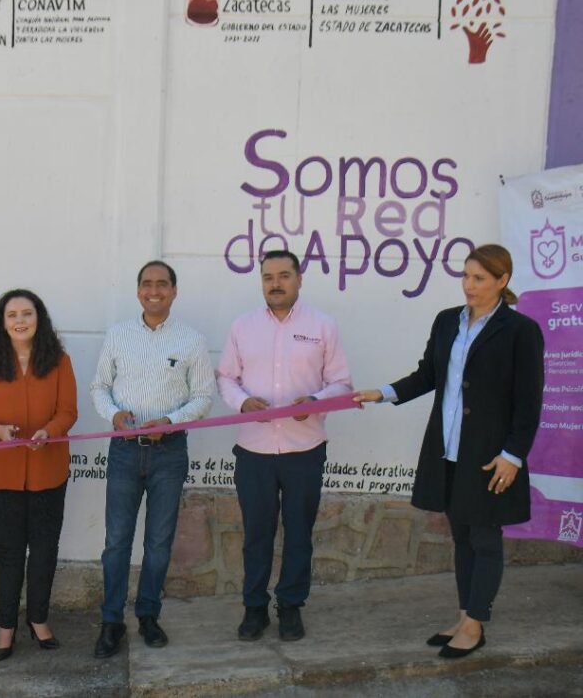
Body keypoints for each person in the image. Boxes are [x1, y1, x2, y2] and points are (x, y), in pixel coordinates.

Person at [355, 244, 543, 659]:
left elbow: (529, 402)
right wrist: (383, 393)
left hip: (491, 455)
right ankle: (464, 615)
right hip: (449, 450)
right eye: (465, 276)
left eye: (479, 278)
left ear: (502, 280)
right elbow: (428, 375)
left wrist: (514, 455)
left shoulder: (520, 330)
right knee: (462, 537)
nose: (469, 285)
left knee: (484, 536)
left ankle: (476, 624)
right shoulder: (446, 322)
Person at [216, 249, 352, 642]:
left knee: (298, 533)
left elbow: (342, 382)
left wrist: (316, 402)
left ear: (299, 278)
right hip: (254, 450)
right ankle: (254, 608)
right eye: (267, 277)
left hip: (305, 449)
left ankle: (290, 606)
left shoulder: (323, 325)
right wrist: (242, 403)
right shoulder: (242, 327)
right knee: (257, 534)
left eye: (283, 275)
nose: (275, 283)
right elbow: (225, 377)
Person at [90, 260, 215, 658]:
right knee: (116, 542)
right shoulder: (118, 335)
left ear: (174, 291)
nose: (154, 290)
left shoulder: (192, 340)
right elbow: (99, 387)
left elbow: (203, 397)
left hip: (169, 453)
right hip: (125, 451)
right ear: (138, 290)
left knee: (159, 543)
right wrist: (114, 415)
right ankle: (111, 622)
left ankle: (147, 615)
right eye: (147, 284)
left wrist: (172, 420)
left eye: (162, 284)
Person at [0, 289, 78, 661]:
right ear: (2, 321)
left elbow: (68, 411)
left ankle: (39, 619)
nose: (19, 320)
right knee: (11, 551)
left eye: (27, 313)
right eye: (12, 314)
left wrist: (50, 430)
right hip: (4, 472)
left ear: (38, 318)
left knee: (45, 549)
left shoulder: (59, 361)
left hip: (49, 468)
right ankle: (6, 625)